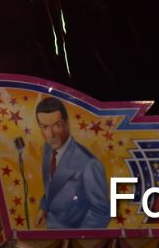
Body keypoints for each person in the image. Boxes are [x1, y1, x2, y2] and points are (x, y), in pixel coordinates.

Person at [32, 96, 110, 230]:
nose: (51, 134)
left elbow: (102, 211)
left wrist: (76, 240)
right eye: (44, 127)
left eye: (57, 125)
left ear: (67, 124)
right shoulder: (47, 151)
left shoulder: (88, 163)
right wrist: (44, 208)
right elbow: (53, 187)